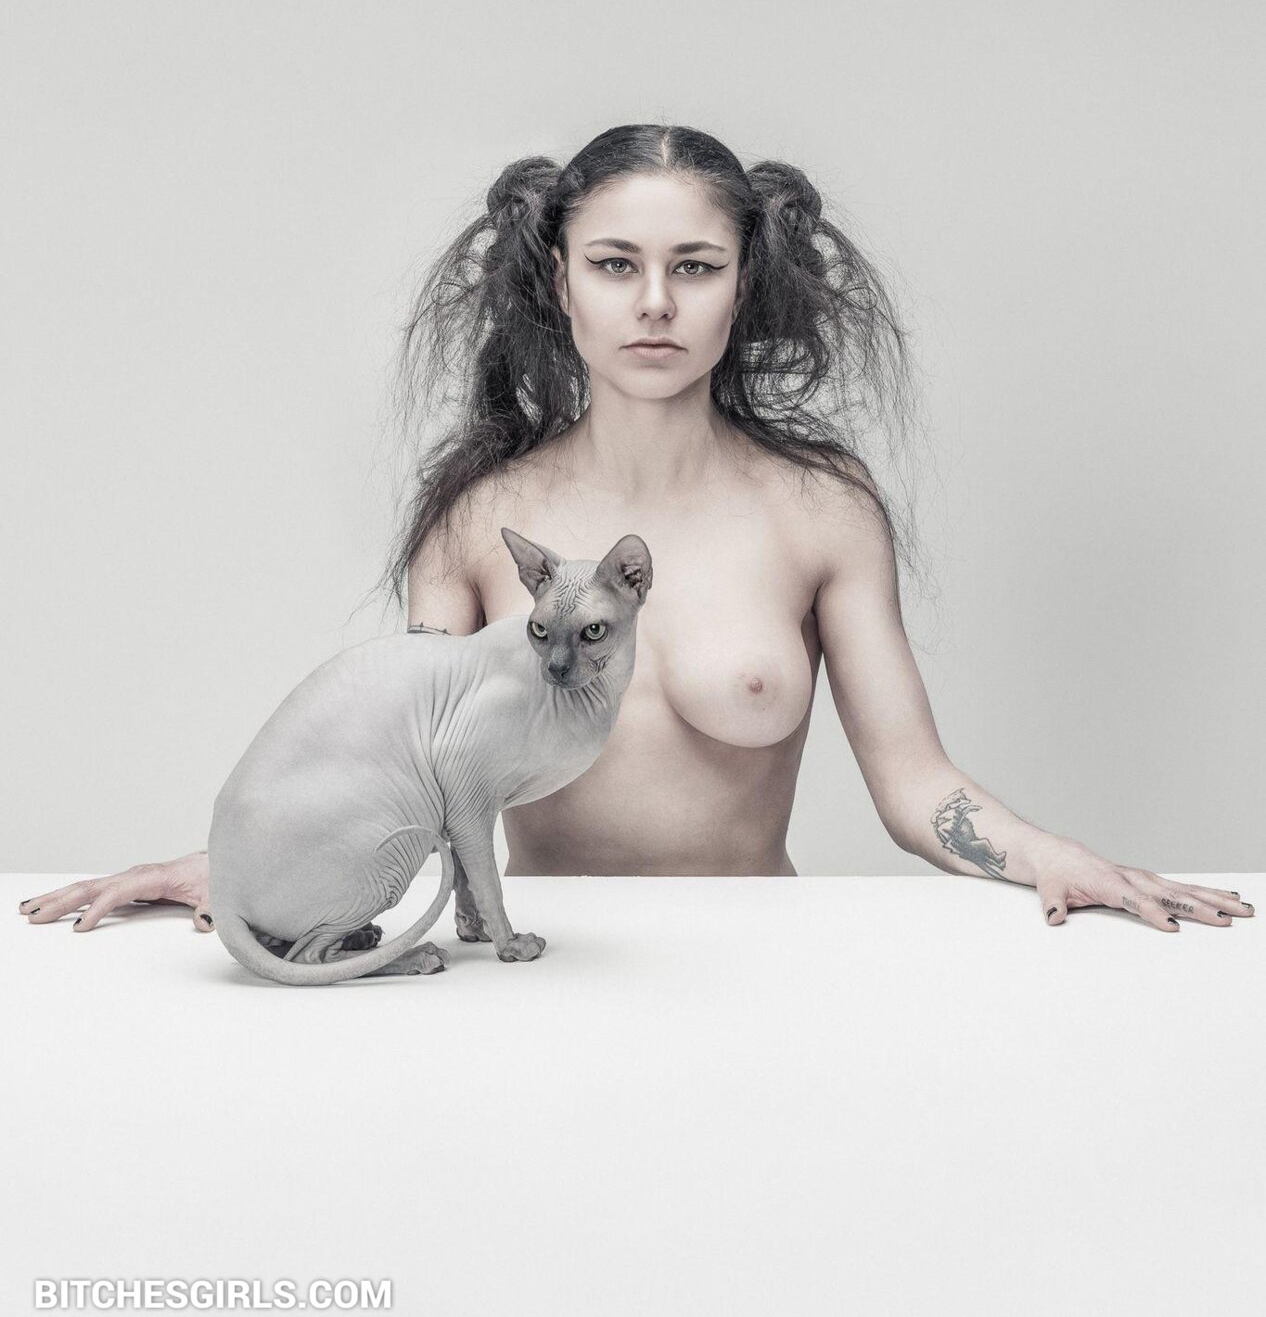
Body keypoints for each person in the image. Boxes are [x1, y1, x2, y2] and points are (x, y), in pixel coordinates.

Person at [19, 124, 1251, 938]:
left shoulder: (820, 510)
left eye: (695, 266)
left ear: (743, 285)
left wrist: (1048, 857)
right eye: (615, 264)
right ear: (559, 281)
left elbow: (913, 782)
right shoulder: (478, 520)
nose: (655, 302)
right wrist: (242, 866)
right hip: (549, 973)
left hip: (768, 971)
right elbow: (397, 760)